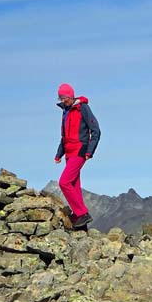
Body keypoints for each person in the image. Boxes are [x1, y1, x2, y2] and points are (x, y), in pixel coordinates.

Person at [54, 83, 101, 229]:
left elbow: (96, 131)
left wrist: (89, 151)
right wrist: (59, 153)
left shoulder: (83, 108)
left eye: (65, 98)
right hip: (68, 153)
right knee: (74, 185)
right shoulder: (65, 112)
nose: (63, 101)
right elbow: (64, 136)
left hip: (80, 151)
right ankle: (80, 222)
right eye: (61, 98)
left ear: (71, 95)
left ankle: (82, 213)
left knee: (64, 182)